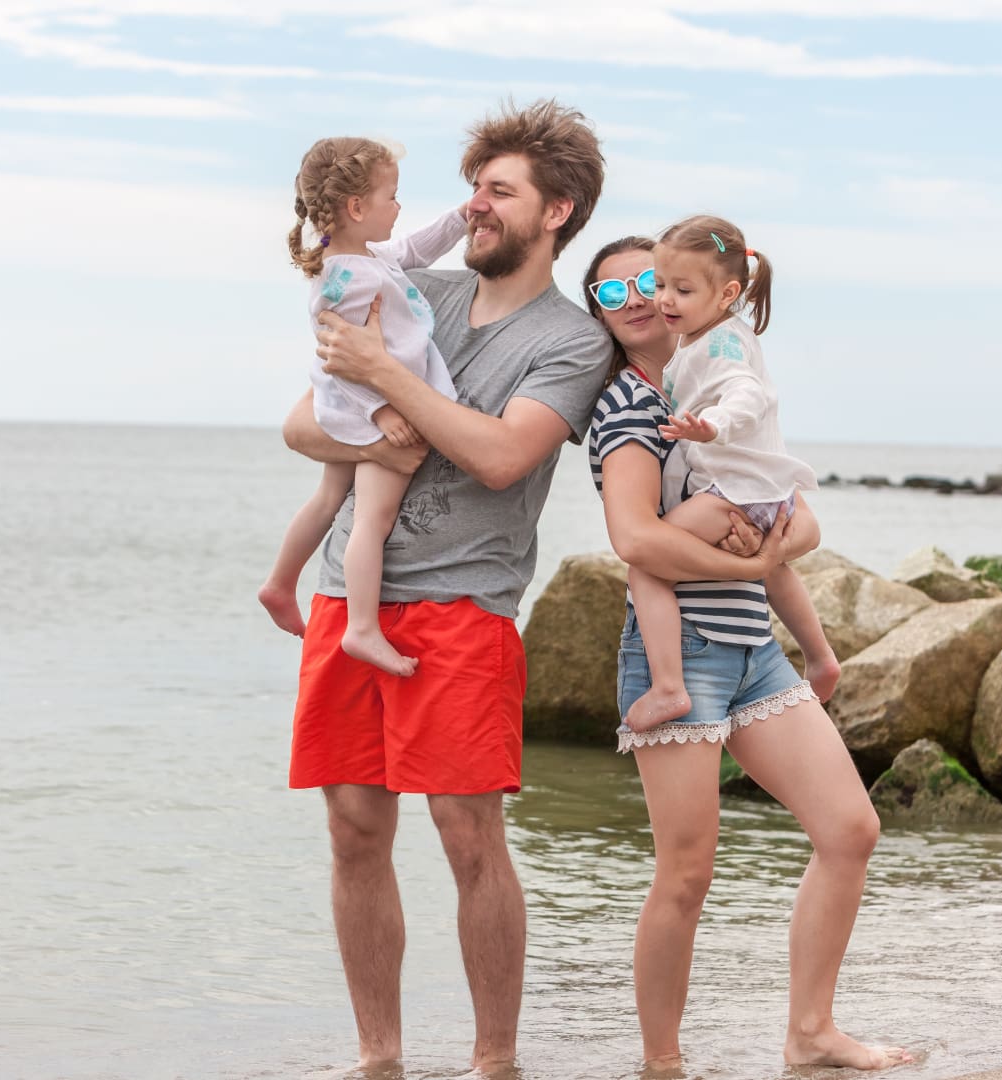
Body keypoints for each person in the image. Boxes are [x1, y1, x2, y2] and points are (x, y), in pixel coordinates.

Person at [279, 99, 612, 1074]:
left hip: (463, 609)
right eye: (471, 188)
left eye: (497, 192)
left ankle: (493, 1062)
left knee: (468, 836)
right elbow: (300, 424)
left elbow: (503, 456)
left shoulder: (571, 341)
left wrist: (389, 382)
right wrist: (378, 422)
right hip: (352, 599)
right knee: (350, 833)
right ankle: (378, 1059)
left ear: (555, 209)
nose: (473, 207)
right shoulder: (405, 284)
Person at [583, 235, 910, 1071]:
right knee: (686, 873)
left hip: (753, 649)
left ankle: (811, 1034)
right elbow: (637, 542)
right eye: (615, 296)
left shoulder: (723, 379)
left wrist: (776, 566)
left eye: (651, 281)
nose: (642, 299)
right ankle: (662, 1062)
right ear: (603, 321)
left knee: (850, 829)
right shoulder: (628, 408)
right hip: (679, 653)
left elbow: (796, 516)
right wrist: (754, 561)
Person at [258, 136, 469, 677]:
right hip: (368, 408)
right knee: (371, 521)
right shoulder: (348, 280)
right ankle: (362, 628)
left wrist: (462, 217)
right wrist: (382, 412)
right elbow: (343, 360)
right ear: (357, 207)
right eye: (391, 196)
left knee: (331, 495)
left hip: (350, 408)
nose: (399, 207)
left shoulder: (358, 258)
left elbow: (417, 249)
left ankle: (281, 584)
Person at [618, 213, 834, 733]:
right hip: (766, 492)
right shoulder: (710, 335)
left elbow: (747, 393)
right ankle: (822, 658)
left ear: (727, 292)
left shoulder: (721, 344)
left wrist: (711, 427)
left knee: (648, 566)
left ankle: (669, 685)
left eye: (683, 290)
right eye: (661, 284)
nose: (664, 300)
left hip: (733, 493)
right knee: (775, 567)